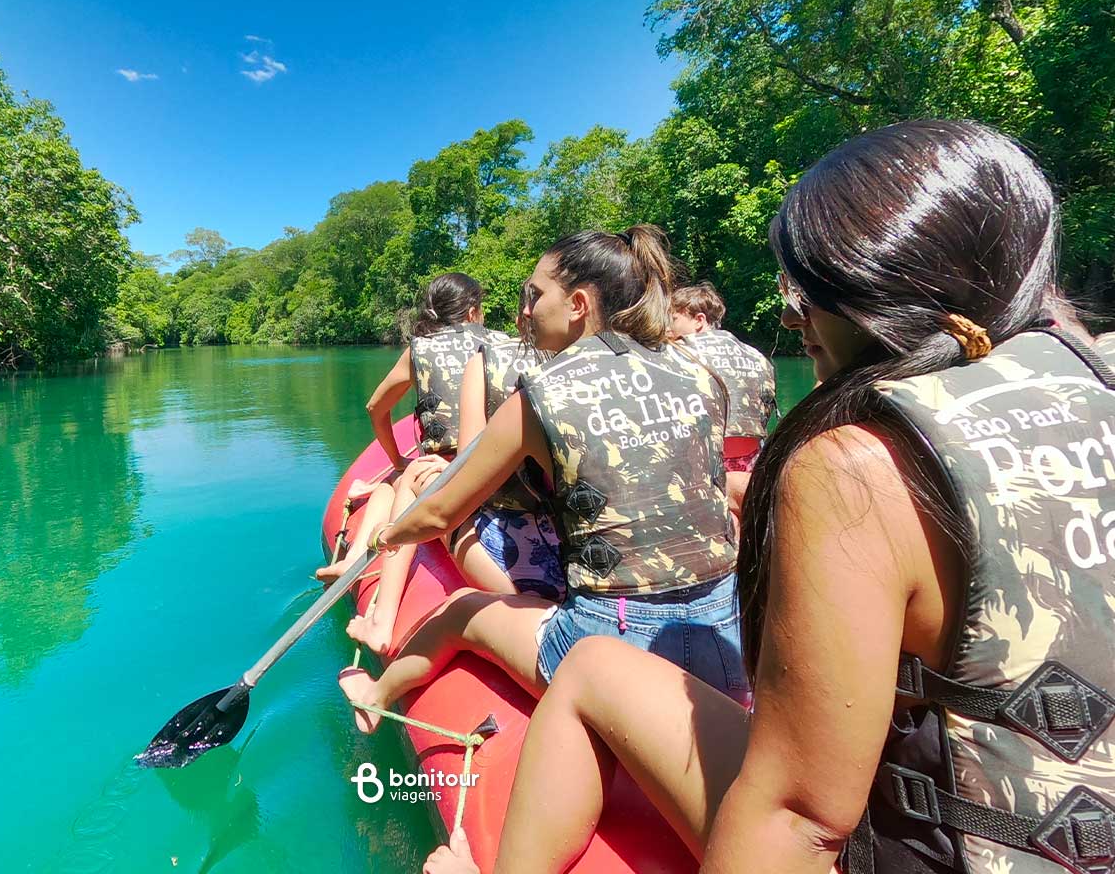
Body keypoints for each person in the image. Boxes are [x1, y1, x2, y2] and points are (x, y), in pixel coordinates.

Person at [422, 119, 1115, 874]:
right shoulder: (1096, 375)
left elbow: (802, 816)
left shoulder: (855, 468)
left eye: (801, 295)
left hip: (938, 853)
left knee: (590, 663)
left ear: (869, 297)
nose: (792, 319)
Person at [339, 224, 745, 740]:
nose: (526, 309)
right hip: (725, 631)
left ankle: (374, 697)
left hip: (612, 643)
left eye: (535, 295)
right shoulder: (700, 374)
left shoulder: (541, 394)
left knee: (461, 610)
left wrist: (386, 536)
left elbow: (444, 510)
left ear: (577, 303)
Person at [321, 272, 509, 653]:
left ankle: (381, 617)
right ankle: (358, 562)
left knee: (402, 483)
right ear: (475, 311)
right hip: (503, 474)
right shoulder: (505, 343)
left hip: (445, 475)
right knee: (396, 484)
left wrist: (396, 459)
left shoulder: (421, 348)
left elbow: (376, 407)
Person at [448, 285, 564, 600]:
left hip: (515, 539)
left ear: (519, 320)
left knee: (426, 485)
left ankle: (516, 601)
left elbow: (467, 474)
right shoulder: (606, 366)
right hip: (594, 550)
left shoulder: (485, 361)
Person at [671, 282, 776, 472]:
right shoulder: (757, 355)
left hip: (706, 463)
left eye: (673, 319)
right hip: (752, 460)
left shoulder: (677, 352)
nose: (666, 328)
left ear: (698, 320)